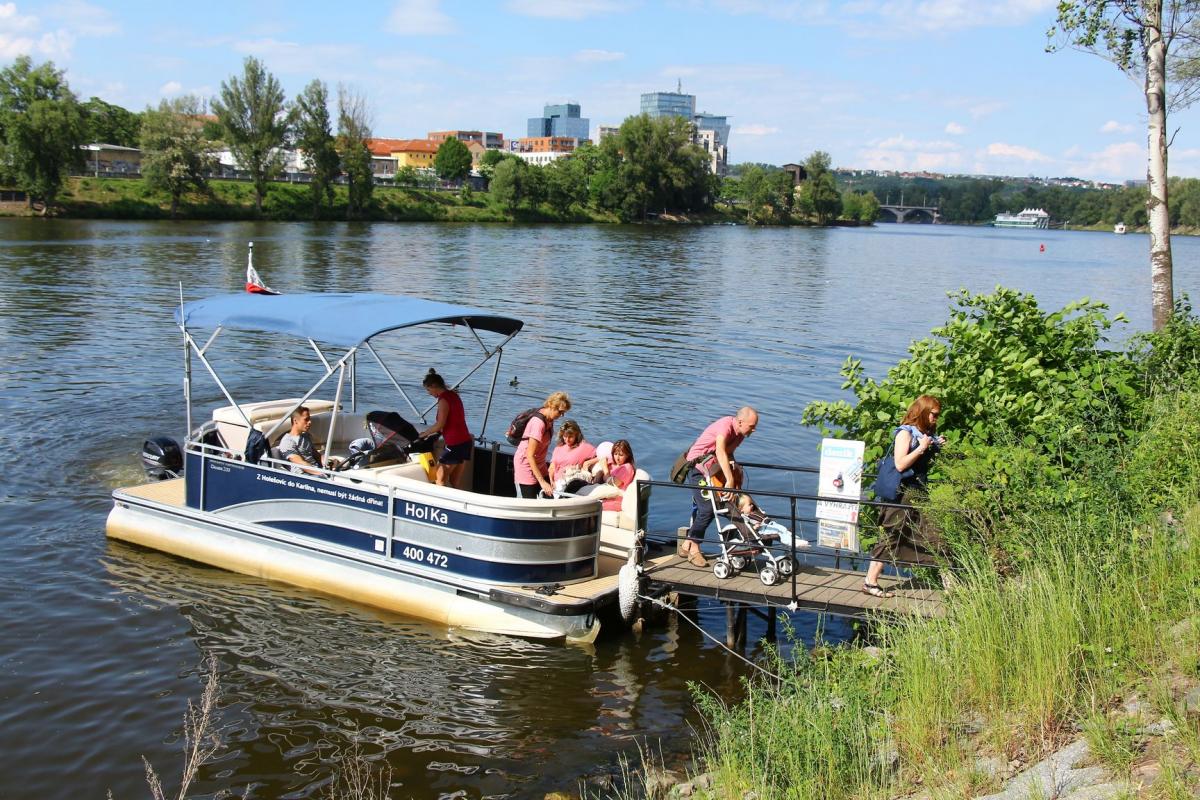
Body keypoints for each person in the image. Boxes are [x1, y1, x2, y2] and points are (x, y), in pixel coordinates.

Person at [863, 395, 947, 598]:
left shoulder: (924, 433)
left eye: (938, 415)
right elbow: (900, 464)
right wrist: (922, 448)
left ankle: (950, 585)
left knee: (935, 534)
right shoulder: (905, 433)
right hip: (901, 495)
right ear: (924, 412)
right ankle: (870, 582)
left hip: (918, 492)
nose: (936, 418)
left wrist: (935, 445)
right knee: (892, 535)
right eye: (934, 414)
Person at [680, 406, 759, 567]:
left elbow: (728, 454)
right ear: (740, 421)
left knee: (727, 503)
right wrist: (729, 480)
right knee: (707, 508)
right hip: (698, 469)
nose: (754, 430)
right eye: (752, 426)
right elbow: (720, 451)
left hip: (713, 470)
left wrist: (734, 470)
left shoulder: (741, 435)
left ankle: (687, 543)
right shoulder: (725, 426)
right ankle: (694, 549)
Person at [418, 368, 473, 487]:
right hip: (465, 441)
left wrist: (425, 433)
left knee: (439, 480)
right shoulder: (454, 395)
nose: (429, 393)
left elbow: (440, 424)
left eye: (428, 389)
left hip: (455, 444)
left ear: (434, 386)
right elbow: (453, 420)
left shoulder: (443, 400)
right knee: (455, 482)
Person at [514, 391, 572, 498]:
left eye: (563, 413)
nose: (561, 416)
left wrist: (547, 478)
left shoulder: (549, 420)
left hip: (540, 463)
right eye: (560, 412)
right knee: (530, 502)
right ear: (551, 406)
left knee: (549, 496)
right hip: (526, 465)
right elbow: (529, 455)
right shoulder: (538, 423)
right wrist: (542, 482)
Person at [278, 406, 323, 475]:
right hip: (304, 475)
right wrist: (321, 473)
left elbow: (316, 455)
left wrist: (327, 462)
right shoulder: (287, 441)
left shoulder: (305, 436)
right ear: (295, 421)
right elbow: (301, 463)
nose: (310, 422)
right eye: (306, 420)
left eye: (309, 419)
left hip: (316, 470)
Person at [600, 439, 637, 513]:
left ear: (627, 455)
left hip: (616, 501)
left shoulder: (627, 468)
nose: (617, 458)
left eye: (621, 455)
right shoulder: (616, 464)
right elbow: (602, 459)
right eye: (615, 454)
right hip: (608, 495)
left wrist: (605, 469)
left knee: (591, 506)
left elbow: (614, 483)